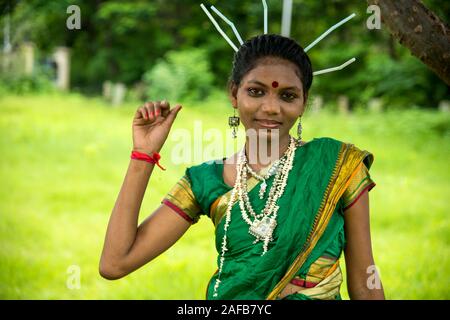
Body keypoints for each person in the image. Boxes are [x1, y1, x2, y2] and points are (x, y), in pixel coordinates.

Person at [99, 34, 385, 300]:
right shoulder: (205, 181)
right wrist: (143, 155)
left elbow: (364, 281)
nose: (271, 107)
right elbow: (115, 263)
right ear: (234, 94)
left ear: (303, 102)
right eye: (256, 92)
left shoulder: (337, 165)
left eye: (287, 95)